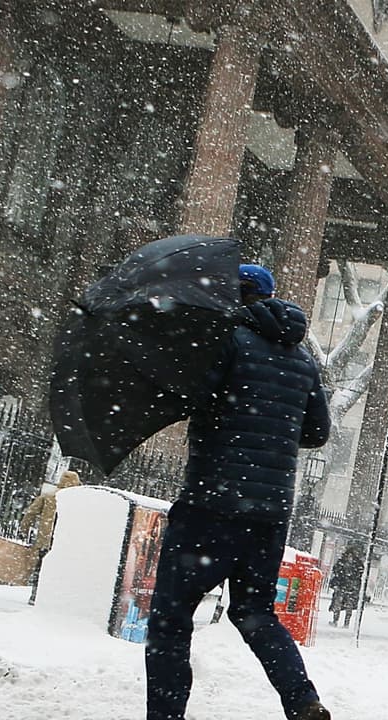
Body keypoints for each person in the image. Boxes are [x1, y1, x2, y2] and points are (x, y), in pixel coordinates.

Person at [144, 264, 332, 720]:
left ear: (236, 297)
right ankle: (302, 699)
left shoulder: (225, 341)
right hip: (269, 511)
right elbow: (318, 431)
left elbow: (194, 397)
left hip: (211, 502)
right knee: (255, 612)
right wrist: (274, 429)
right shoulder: (302, 359)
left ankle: (165, 716)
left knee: (171, 618)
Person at [18, 470, 81, 605]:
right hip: (64, 540)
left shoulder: (49, 496)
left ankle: (35, 593)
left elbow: (31, 513)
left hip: (46, 538)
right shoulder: (76, 500)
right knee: (59, 568)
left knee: (41, 565)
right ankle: (52, 595)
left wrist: (24, 528)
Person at [328, 541, 364, 629]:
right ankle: (340, 621)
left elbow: (336, 571)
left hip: (346, 586)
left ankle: (341, 622)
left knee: (344, 604)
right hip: (346, 586)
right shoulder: (356, 564)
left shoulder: (349, 563)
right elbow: (337, 571)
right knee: (343, 604)